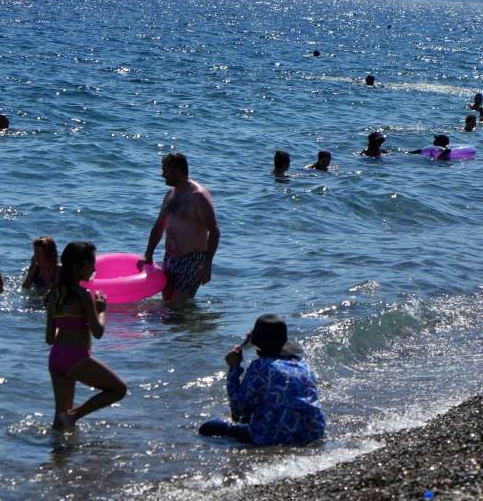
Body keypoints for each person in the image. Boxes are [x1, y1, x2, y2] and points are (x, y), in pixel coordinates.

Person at [198, 314, 326, 446]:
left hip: (277, 437)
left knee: (208, 427)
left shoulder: (261, 367)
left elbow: (238, 411)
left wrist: (233, 370)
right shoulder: (303, 365)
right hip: (314, 433)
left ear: (257, 345)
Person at [46, 241, 127, 431]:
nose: (94, 269)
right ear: (78, 267)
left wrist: (67, 325)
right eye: (91, 265)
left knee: (60, 419)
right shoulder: (82, 295)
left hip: (56, 357)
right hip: (76, 358)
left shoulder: (55, 294)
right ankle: (75, 415)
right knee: (118, 389)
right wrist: (101, 310)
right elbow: (98, 332)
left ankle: (58, 457)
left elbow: (49, 338)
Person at [143, 153, 221, 303]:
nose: (162, 174)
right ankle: (190, 324)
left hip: (192, 259)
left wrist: (207, 264)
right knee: (167, 305)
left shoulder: (198, 196)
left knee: (176, 305)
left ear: (177, 171)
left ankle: (192, 324)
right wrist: (149, 253)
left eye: (165, 170)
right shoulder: (170, 195)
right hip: (170, 258)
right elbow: (159, 227)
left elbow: (214, 231)